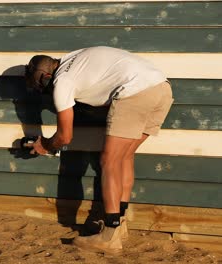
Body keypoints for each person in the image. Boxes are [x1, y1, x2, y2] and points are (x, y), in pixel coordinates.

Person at [24, 46, 174, 254]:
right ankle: (120, 224)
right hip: (161, 88)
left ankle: (110, 234)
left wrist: (46, 145)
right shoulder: (75, 57)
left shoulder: (62, 82)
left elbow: (65, 136)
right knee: (124, 157)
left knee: (109, 161)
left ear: (46, 77)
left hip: (135, 91)